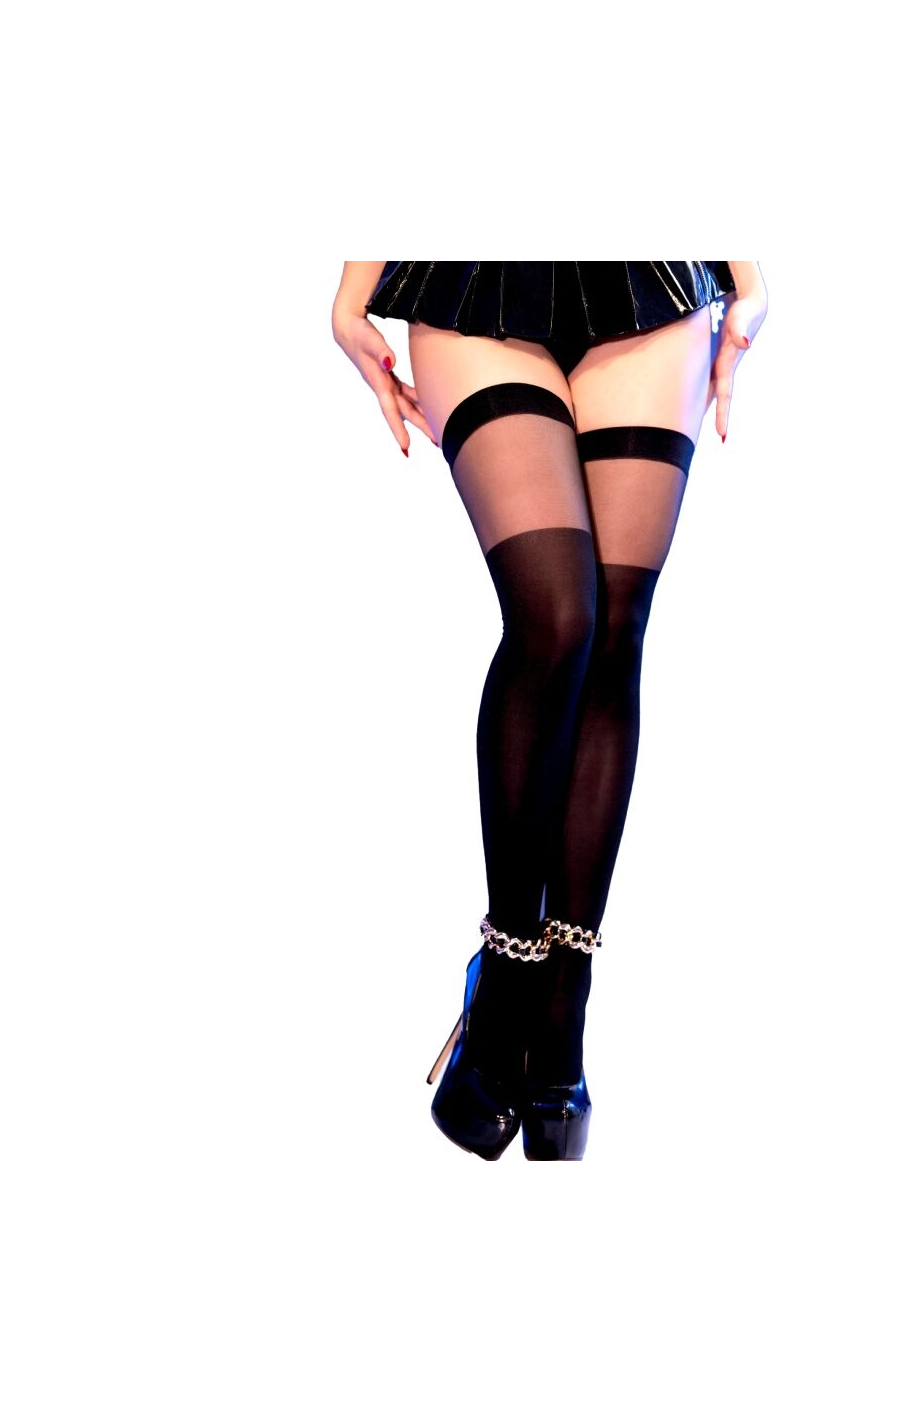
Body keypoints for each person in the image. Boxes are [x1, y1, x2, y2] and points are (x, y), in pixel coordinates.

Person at [331, 262, 768, 1161]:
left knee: (615, 628)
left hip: (649, 274)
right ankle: (505, 974)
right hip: (476, 275)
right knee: (558, 615)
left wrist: (750, 279)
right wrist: (349, 296)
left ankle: (564, 1002)